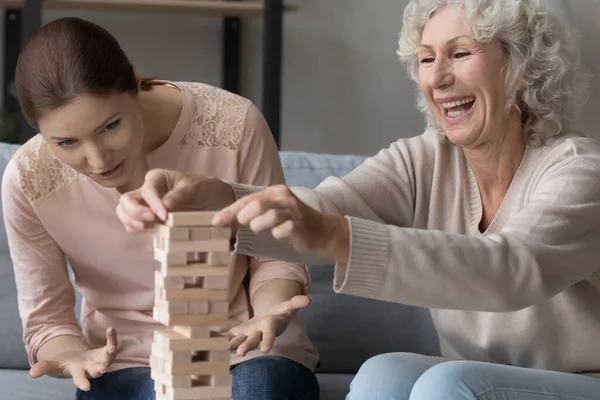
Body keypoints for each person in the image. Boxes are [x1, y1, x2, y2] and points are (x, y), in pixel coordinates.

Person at [116, 0, 600, 399]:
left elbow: (511, 271)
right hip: (479, 379)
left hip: (582, 382)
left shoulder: (579, 172)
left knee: (448, 381)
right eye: (427, 59)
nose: (438, 78)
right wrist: (217, 201)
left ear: (519, 65)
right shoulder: (424, 160)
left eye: (460, 53)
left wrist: (335, 237)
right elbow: (324, 206)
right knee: (382, 373)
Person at [1, 16, 320, 400]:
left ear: (135, 80)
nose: (98, 159)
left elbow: (275, 253)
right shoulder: (28, 180)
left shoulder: (234, 124)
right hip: (125, 363)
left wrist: (269, 313)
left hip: (248, 353)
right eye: (67, 143)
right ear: (38, 131)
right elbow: (47, 321)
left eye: (110, 126)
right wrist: (74, 358)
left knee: (259, 389)